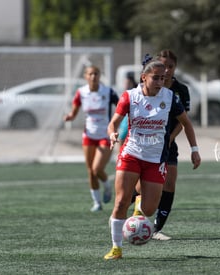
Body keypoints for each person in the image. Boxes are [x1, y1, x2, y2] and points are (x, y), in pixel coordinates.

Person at [104, 56, 201, 260]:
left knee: (148, 209)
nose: (160, 82)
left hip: (156, 158)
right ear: (143, 77)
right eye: (155, 78)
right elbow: (113, 122)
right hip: (131, 153)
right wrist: (113, 133)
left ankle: (139, 208)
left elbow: (186, 123)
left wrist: (194, 149)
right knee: (121, 201)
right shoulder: (129, 97)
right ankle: (116, 248)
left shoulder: (170, 97)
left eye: (163, 78)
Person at [64, 65, 119, 212]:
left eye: (96, 73)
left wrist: (119, 124)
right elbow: (74, 112)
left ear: (99, 76)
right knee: (90, 171)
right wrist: (69, 117)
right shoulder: (81, 92)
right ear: (85, 76)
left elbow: (121, 107)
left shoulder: (107, 92)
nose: (93, 76)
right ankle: (97, 203)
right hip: (88, 135)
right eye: (90, 74)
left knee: (97, 169)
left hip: (105, 135)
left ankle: (107, 185)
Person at [151, 49, 191, 240]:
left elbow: (184, 122)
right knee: (143, 187)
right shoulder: (148, 86)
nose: (166, 71)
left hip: (168, 142)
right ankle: (129, 216)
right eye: (163, 66)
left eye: (170, 67)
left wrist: (170, 138)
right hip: (146, 143)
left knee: (169, 181)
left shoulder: (181, 91)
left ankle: (157, 229)